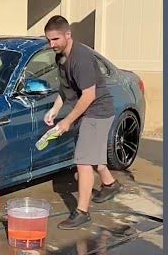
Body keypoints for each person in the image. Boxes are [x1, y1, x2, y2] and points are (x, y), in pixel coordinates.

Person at [41, 15, 121, 229]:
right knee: (89, 152)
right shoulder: (61, 57)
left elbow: (88, 95)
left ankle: (82, 212)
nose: (52, 44)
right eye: (49, 40)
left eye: (55, 39)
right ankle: (110, 184)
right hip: (87, 111)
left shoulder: (81, 58)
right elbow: (65, 89)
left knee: (83, 161)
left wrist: (67, 120)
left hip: (98, 110)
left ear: (68, 35)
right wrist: (54, 109)